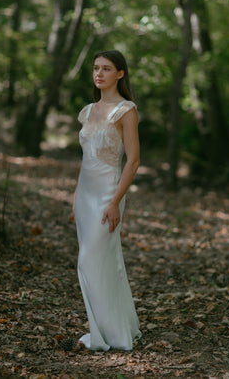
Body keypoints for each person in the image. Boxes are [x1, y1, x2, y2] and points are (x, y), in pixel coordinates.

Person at [73, 49, 142, 351]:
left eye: (107, 69)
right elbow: (85, 159)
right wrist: (74, 196)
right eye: (95, 68)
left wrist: (115, 201)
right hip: (84, 195)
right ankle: (109, 328)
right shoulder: (87, 111)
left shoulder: (126, 110)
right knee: (98, 262)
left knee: (90, 260)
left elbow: (134, 161)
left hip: (108, 193)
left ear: (120, 74)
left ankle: (109, 335)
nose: (99, 74)